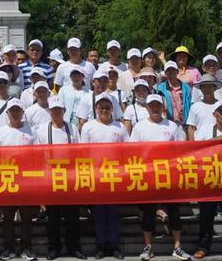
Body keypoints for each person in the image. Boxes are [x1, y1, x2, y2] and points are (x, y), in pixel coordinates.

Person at [129, 94, 189, 261]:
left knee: (174, 212)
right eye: (151, 105)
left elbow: (181, 150)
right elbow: (133, 152)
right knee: (148, 213)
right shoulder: (139, 127)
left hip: (170, 176)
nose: (154, 108)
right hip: (149, 177)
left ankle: (177, 247)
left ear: (162, 107)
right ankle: (148, 247)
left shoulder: (172, 126)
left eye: (157, 105)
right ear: (147, 107)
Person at [34, 98, 85, 260]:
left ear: (64, 111)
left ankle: (74, 247)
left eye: (59, 109)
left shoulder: (72, 128)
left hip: (70, 178)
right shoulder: (42, 130)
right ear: (49, 111)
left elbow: (80, 153)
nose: (56, 112)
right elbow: (37, 157)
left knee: (73, 216)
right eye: (53, 109)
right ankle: (54, 247)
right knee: (53, 217)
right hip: (51, 179)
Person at [81, 94, 128, 260]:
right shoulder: (88, 127)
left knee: (114, 213)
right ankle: (101, 246)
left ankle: (114, 246)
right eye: (101, 107)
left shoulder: (120, 127)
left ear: (112, 109)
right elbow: (83, 153)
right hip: (96, 176)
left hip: (115, 176)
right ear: (96, 108)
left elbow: (126, 152)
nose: (104, 110)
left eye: (107, 107)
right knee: (99, 213)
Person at [0, 99, 37, 261]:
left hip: (25, 180)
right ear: (7, 113)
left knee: (26, 216)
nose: (15, 113)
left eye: (18, 110)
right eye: (12, 111)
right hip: (7, 178)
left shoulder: (31, 131)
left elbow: (36, 155)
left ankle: (26, 248)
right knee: (8, 217)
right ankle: (8, 248)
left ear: (22, 112)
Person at [192, 104, 222, 258]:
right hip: (210, 178)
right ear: (215, 114)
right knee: (206, 216)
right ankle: (203, 246)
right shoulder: (205, 129)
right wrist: (216, 140)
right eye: (221, 115)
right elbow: (196, 148)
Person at [186, 74, 222, 141]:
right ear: (201, 89)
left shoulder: (220, 105)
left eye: (210, 86)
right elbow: (191, 127)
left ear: (215, 88)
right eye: (204, 87)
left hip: (218, 143)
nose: (207, 89)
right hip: (201, 144)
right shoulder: (195, 107)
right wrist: (193, 146)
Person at [157, 61, 192, 126]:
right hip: (168, 124)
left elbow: (190, 105)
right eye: (168, 70)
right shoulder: (160, 88)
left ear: (177, 71)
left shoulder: (186, 88)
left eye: (173, 70)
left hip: (184, 124)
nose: (171, 72)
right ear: (165, 73)